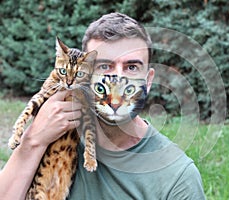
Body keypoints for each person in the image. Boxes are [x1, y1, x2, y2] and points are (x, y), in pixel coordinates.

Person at [0, 12, 206, 199]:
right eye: (104, 66)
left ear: (148, 81)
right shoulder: (51, 135)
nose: (117, 79)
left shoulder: (177, 177)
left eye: (132, 67)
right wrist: (33, 140)